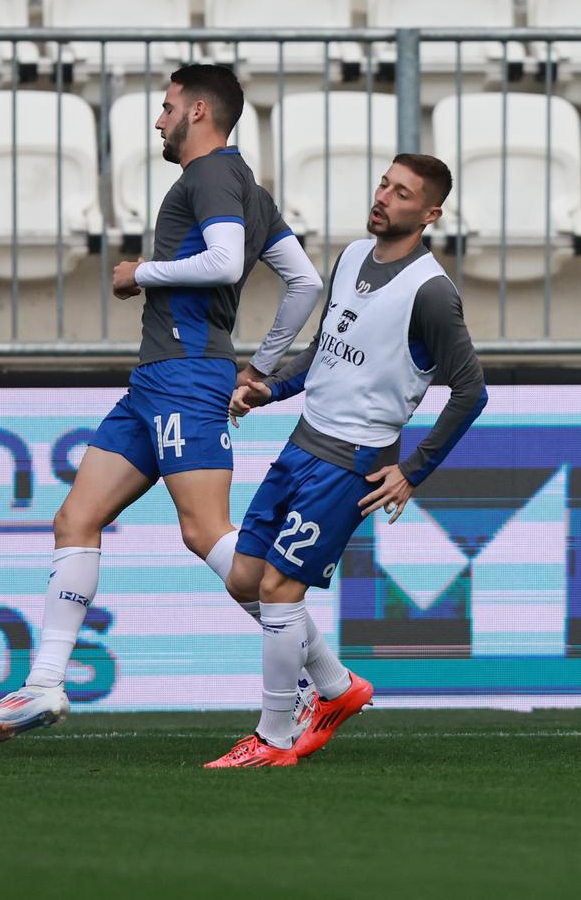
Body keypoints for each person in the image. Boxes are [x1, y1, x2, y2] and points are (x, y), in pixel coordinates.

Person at [0, 65, 323, 743]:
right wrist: (263, 366)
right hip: (157, 379)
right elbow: (304, 282)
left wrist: (140, 275)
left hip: (186, 375)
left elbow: (222, 261)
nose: (158, 120)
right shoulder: (245, 183)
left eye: (166, 108)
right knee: (77, 515)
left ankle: (322, 681)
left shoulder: (209, 176)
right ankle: (43, 685)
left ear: (200, 112)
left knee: (207, 532)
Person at [204, 153, 488, 768]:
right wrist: (269, 389)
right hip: (303, 441)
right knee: (243, 579)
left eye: (403, 193)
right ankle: (334, 688)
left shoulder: (432, 293)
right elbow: (323, 350)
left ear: (430, 214)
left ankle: (275, 738)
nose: (384, 196)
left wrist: (413, 470)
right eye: (384, 183)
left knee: (280, 591)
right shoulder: (354, 256)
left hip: (351, 461)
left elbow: (471, 391)